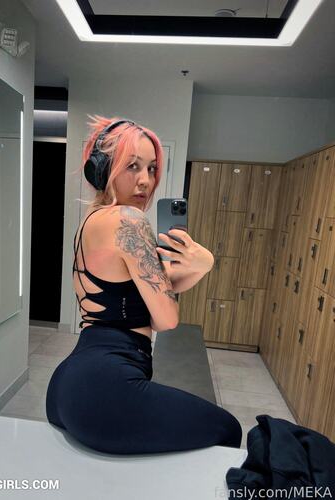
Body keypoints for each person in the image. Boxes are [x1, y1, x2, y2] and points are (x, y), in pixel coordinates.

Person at [46, 115, 242, 454]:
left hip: (69, 381)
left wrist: (201, 266)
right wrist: (204, 264)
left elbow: (149, 298)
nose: (145, 181)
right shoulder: (129, 221)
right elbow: (165, 320)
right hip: (105, 383)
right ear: (102, 169)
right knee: (228, 430)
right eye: (132, 166)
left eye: (151, 169)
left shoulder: (90, 222)